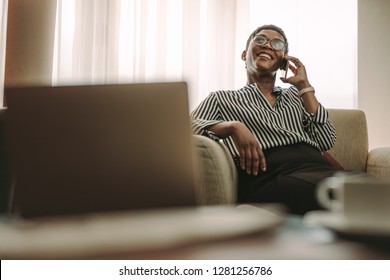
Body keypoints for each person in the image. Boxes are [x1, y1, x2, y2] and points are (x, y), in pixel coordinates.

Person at [190, 24, 340, 214]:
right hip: (269, 175)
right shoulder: (221, 98)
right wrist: (233, 126)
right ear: (245, 55)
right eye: (260, 40)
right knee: (347, 194)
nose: (268, 45)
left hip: (316, 167)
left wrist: (304, 85)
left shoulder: (297, 96)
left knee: (370, 189)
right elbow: (185, 129)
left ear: (283, 62)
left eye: (277, 44)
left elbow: (325, 140)